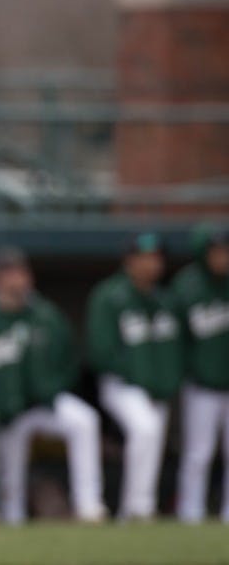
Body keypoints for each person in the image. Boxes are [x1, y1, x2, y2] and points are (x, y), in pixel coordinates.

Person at [0, 246, 105, 524]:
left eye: (20, 271)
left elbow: (69, 359)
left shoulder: (47, 316)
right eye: (8, 272)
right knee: (9, 470)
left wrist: (51, 388)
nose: (16, 279)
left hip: (45, 404)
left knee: (84, 420)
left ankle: (89, 505)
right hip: (8, 412)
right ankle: (12, 517)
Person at [87, 232, 183, 520]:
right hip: (122, 384)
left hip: (158, 388)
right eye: (143, 258)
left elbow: (177, 350)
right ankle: (136, 508)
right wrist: (140, 376)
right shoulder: (109, 295)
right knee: (145, 428)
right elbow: (100, 351)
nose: (150, 265)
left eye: (155, 258)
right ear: (129, 261)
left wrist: (166, 382)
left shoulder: (166, 300)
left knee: (153, 439)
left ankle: (141, 507)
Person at [173, 224, 229, 523]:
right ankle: (190, 512)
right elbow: (176, 339)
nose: (222, 257)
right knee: (199, 453)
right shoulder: (187, 286)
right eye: (216, 251)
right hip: (201, 385)